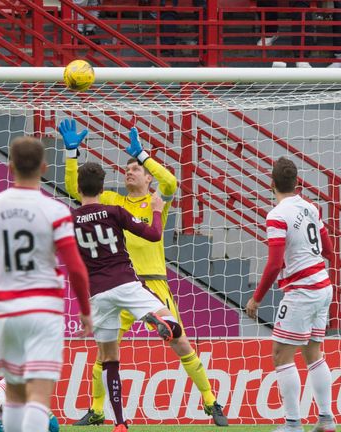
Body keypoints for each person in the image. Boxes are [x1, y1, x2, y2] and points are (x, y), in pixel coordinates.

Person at [59, 119, 227, 427]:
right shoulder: (112, 202)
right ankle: (97, 409)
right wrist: (72, 155)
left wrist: (144, 155)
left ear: (148, 178)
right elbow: (76, 189)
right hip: (122, 283)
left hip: (152, 283)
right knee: (103, 354)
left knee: (181, 344)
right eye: (127, 168)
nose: (129, 170)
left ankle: (210, 400)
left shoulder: (155, 202)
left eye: (135, 168)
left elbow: (172, 183)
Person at [0, 136, 93, 432]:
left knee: (13, 393)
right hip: (44, 311)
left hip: (8, 311)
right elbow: (76, 268)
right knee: (37, 394)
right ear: (44, 167)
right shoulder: (55, 211)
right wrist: (86, 311)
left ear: (10, 166)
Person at [73, 162, 187, 431]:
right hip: (126, 283)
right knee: (168, 319)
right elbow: (154, 233)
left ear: (78, 188)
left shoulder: (71, 220)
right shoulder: (114, 212)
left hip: (98, 294)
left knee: (109, 359)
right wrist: (157, 211)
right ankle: (154, 317)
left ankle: (120, 422)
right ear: (103, 188)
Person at [245, 157, 336, 432]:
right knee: (313, 353)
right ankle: (326, 419)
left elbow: (274, 264)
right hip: (323, 286)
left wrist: (256, 298)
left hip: (303, 291)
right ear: (297, 183)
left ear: (270, 183)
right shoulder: (311, 208)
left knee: (281, 355)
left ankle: (293, 424)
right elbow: (329, 250)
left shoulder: (276, 215)